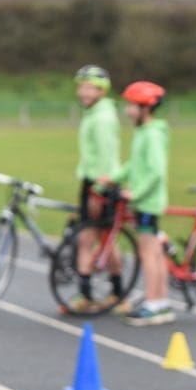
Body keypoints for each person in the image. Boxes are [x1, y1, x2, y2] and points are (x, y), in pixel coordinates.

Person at [103, 80, 174, 326]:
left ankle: (154, 304)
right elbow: (134, 166)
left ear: (146, 108)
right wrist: (113, 178)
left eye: (132, 106)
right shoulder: (144, 132)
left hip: (148, 202)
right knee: (154, 252)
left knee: (149, 254)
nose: (127, 110)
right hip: (146, 201)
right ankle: (161, 301)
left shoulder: (152, 134)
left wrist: (136, 194)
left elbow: (155, 172)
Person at [66, 64, 128, 314]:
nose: (83, 92)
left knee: (93, 240)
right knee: (99, 240)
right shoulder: (94, 113)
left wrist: (99, 190)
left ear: (102, 90)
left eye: (89, 87)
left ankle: (98, 294)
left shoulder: (102, 118)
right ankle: (110, 293)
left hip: (100, 184)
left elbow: (106, 157)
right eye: (81, 87)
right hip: (93, 182)